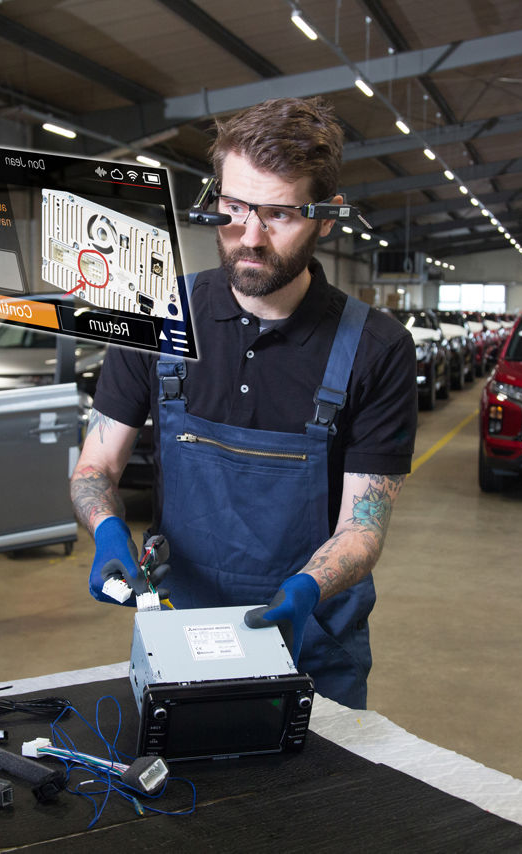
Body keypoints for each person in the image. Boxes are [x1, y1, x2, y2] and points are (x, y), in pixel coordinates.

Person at [69, 97, 417, 709]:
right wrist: (107, 531)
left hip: (313, 639)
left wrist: (309, 588)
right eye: (232, 208)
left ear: (327, 217)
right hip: (179, 627)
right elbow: (95, 469)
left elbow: (364, 528)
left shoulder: (377, 347)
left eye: (279, 214)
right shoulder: (156, 314)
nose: (248, 238)